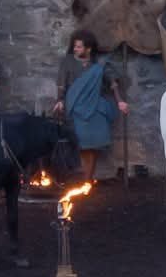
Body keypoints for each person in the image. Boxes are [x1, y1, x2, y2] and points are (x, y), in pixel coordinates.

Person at [51, 29, 127, 182]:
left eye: (79, 47)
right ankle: (80, 178)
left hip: (94, 108)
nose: (75, 49)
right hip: (76, 107)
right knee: (81, 143)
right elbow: (61, 84)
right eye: (75, 46)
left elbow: (112, 82)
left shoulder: (98, 65)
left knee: (94, 145)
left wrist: (120, 101)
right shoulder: (67, 62)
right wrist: (59, 100)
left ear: (88, 49)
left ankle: (88, 181)